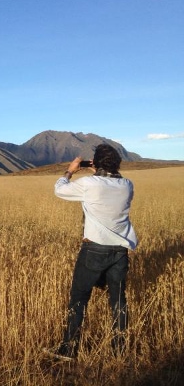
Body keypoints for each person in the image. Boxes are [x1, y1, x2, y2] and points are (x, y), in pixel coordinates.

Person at [45, 143, 138, 361]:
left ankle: (69, 349)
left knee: (79, 298)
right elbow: (110, 186)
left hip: (94, 249)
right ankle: (119, 349)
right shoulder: (127, 184)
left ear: (94, 163)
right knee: (118, 300)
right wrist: (99, 170)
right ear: (117, 163)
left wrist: (71, 170)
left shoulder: (89, 183)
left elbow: (59, 189)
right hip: (121, 250)